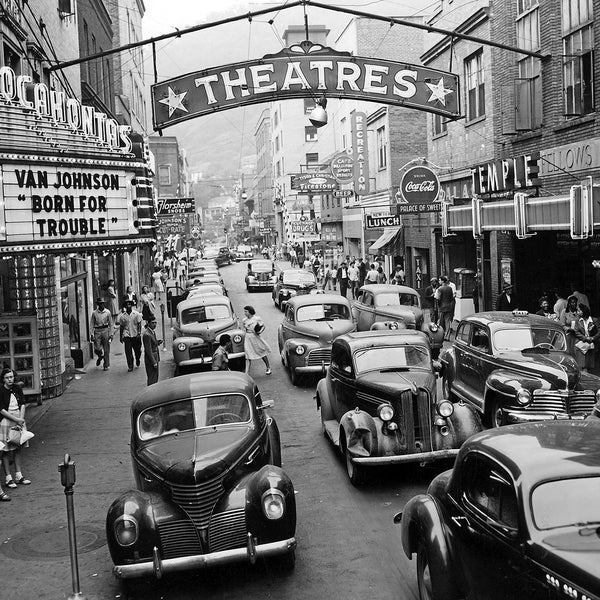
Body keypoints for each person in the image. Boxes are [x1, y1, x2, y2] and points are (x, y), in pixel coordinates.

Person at [0, 368, 31, 493]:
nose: (10, 379)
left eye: (11, 377)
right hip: (6, 421)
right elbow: (1, 409)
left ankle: (19, 475)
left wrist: (21, 419)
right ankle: (8, 478)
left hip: (18, 419)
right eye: (7, 377)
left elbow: (22, 403)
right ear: (3, 379)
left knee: (18, 447)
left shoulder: (17, 388)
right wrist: (15, 419)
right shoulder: (1, 391)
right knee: (6, 450)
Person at [242, 305, 271, 375]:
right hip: (248, 338)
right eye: (244, 311)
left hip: (255, 337)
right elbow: (246, 329)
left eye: (246, 311)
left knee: (261, 352)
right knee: (248, 355)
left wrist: (259, 332)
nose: (245, 313)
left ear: (250, 311)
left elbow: (263, 326)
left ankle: (268, 367)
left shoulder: (257, 318)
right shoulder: (244, 320)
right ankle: (247, 373)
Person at [573, 304, 600, 373]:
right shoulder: (577, 320)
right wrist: (585, 338)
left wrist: (593, 338)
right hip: (581, 344)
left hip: (591, 345)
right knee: (580, 364)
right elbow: (576, 331)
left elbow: (599, 331)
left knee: (588, 365)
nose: (577, 312)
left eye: (579, 311)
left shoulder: (594, 320)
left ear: (584, 311)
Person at [118, 300, 143, 372]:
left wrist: (139, 333)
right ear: (125, 307)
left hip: (135, 335)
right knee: (128, 352)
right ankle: (130, 366)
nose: (128, 306)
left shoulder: (136, 314)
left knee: (138, 351)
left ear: (131, 306)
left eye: (129, 304)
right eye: (127, 305)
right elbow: (122, 326)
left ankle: (137, 359)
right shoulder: (122, 316)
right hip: (127, 335)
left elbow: (139, 324)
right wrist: (121, 336)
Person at [90, 297, 113, 370]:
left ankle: (106, 365)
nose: (101, 305)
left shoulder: (107, 312)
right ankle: (100, 356)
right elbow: (91, 324)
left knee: (106, 349)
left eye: (102, 304)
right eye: (100, 304)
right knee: (97, 348)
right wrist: (91, 334)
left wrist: (111, 334)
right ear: (98, 304)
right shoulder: (94, 313)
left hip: (105, 330)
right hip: (97, 330)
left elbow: (111, 324)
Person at [142, 316, 161, 385]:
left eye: (155, 323)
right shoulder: (147, 334)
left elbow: (152, 343)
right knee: (152, 377)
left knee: (155, 376)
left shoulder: (152, 332)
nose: (154, 324)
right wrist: (154, 362)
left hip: (155, 357)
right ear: (148, 323)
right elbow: (148, 350)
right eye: (153, 323)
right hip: (151, 359)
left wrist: (157, 342)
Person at [436, 276, 456, 340]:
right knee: (447, 322)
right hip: (448, 307)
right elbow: (451, 298)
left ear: (442, 281)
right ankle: (447, 336)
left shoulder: (440, 289)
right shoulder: (450, 288)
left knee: (441, 322)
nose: (439, 281)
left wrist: (438, 306)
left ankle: (441, 335)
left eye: (439, 280)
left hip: (442, 307)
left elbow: (438, 298)